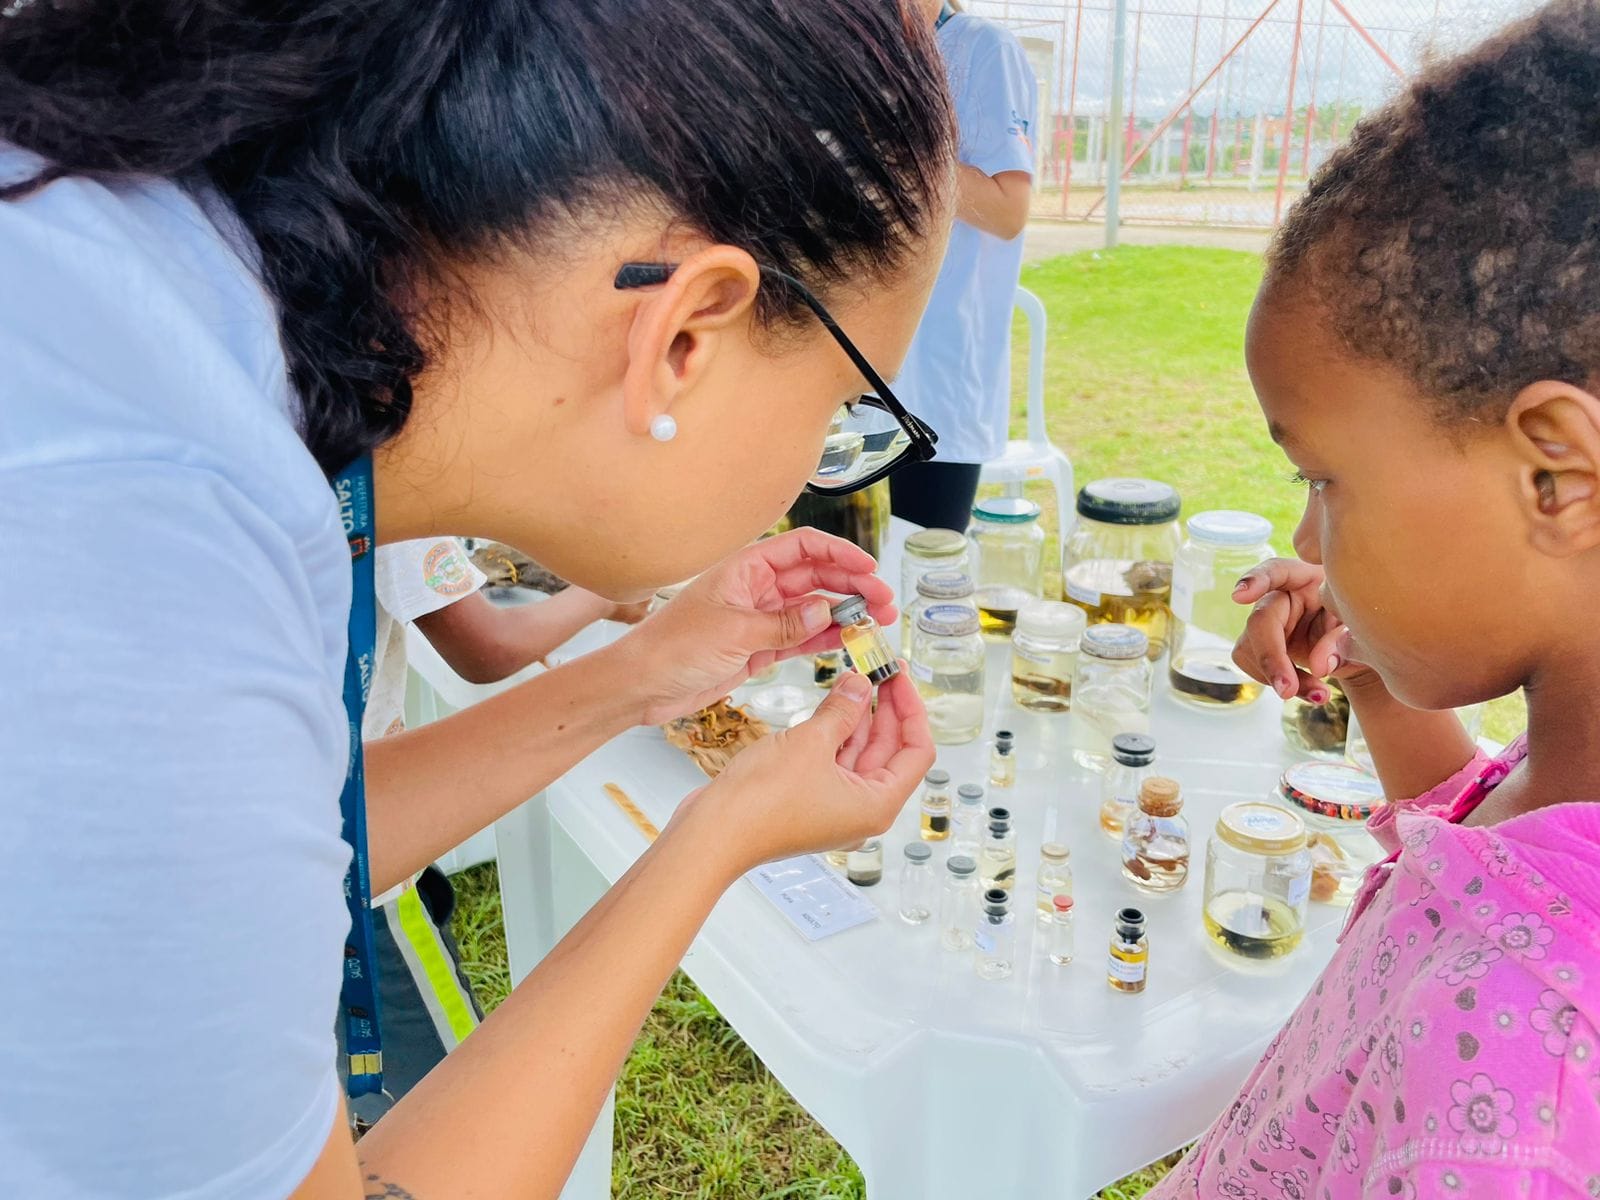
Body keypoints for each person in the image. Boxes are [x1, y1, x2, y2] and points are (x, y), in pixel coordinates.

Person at [0, 3, 951, 1197]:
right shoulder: (139, 547)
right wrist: (714, 841)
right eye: (842, 413)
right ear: (684, 336)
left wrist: (644, 668)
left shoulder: (175, 352)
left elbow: (283, 841)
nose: (824, 459)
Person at [1151, 4, 1600, 1195]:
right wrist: (1370, 671)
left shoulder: (1524, 1081)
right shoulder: (1569, 777)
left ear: (1555, 474)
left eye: (1322, 482)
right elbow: (1486, 855)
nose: (1308, 537)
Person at [344, 539, 647, 1125]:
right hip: (364, 888)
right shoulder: (373, 465)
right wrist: (607, 598)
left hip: (288, 860)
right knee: (461, 1102)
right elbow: (488, 648)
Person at [889, 0, 1037, 531]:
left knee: (924, 568)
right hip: (838, 371)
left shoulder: (980, 50)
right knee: (831, 581)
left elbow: (1006, 210)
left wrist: (895, 153)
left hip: (935, 380)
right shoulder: (850, 49)